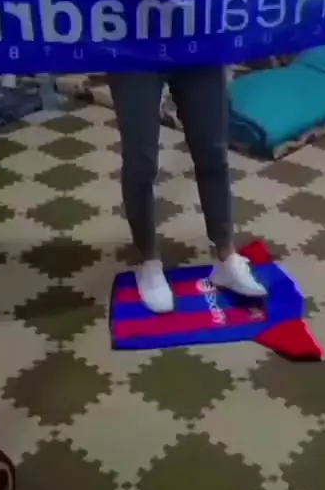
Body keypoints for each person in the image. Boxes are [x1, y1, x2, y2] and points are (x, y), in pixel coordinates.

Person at [109, 65, 266, 313]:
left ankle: (226, 256)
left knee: (212, 152)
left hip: (196, 46)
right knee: (141, 160)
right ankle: (149, 262)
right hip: (134, 50)